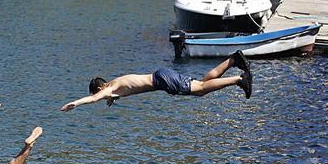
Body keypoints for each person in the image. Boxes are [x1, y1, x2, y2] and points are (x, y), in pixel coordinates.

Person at [60, 50, 253, 112]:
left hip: (162, 81)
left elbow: (94, 99)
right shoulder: (116, 83)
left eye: (99, 93)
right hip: (161, 75)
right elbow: (120, 91)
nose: (100, 97)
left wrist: (75, 103)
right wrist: (112, 99)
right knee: (202, 83)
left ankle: (239, 79)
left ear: (100, 88)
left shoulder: (109, 89)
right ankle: (233, 60)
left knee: (201, 89)